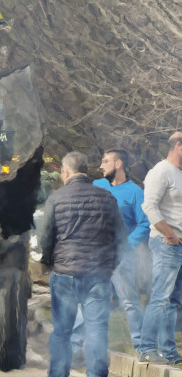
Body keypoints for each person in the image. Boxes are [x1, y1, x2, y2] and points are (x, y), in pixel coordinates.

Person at [39, 151, 127, 377]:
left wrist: (48, 261)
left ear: (66, 172)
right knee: (97, 327)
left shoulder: (56, 198)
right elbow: (121, 238)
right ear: (86, 171)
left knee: (62, 330)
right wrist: (110, 266)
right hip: (97, 274)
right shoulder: (106, 198)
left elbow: (45, 237)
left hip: (65, 273)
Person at [71, 149, 150, 356]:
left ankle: (142, 347)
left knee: (129, 302)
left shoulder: (135, 193)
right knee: (86, 300)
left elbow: (144, 224)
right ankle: (75, 346)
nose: (100, 166)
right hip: (94, 256)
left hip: (121, 259)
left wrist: (125, 245)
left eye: (105, 161)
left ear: (118, 164)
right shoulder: (97, 186)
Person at [138, 132, 182, 365]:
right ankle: (146, 349)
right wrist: (170, 234)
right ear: (178, 145)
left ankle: (169, 352)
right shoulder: (160, 171)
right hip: (166, 243)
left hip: (178, 245)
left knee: (173, 301)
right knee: (161, 298)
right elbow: (149, 206)